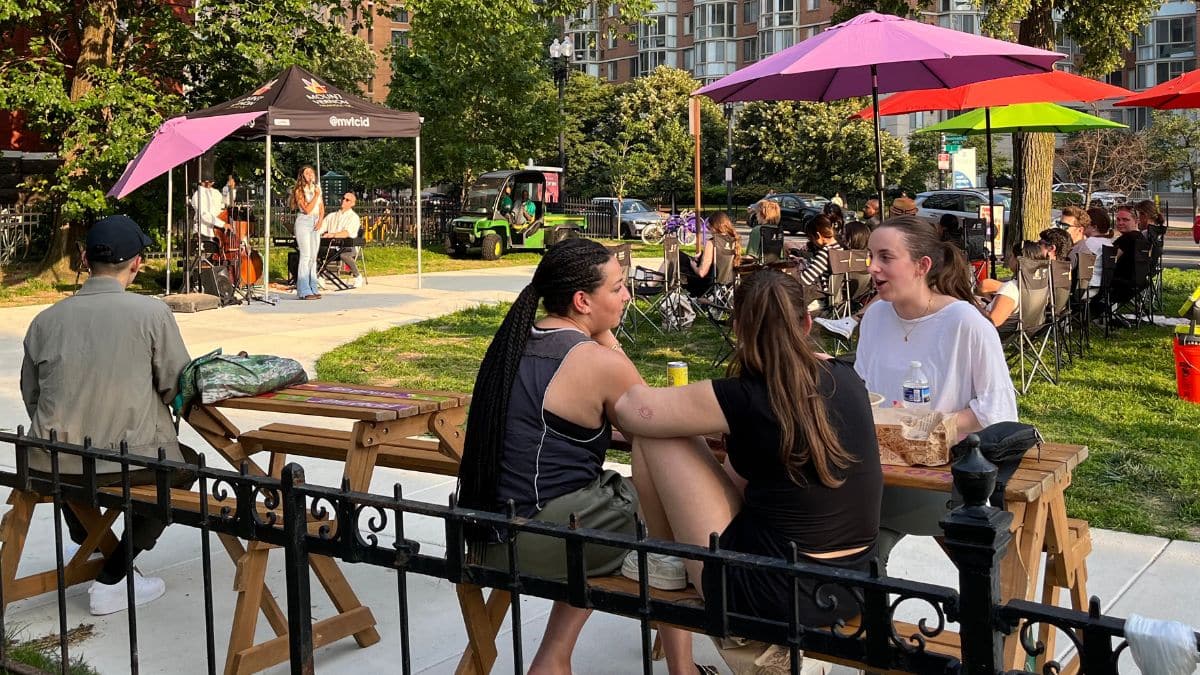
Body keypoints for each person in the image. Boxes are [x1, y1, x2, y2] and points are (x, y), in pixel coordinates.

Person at [613, 270, 882, 673]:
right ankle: (667, 562)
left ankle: (664, 558)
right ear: (807, 323)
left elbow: (631, 411)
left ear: (738, 328)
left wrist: (607, 344)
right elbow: (741, 488)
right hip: (852, 585)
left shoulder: (743, 395)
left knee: (657, 436)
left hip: (777, 592)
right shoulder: (847, 377)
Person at [456, 238, 643, 675]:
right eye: (617, 287)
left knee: (598, 510)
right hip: (533, 540)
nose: (627, 297)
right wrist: (608, 340)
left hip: (487, 533)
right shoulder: (595, 361)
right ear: (582, 301)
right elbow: (647, 421)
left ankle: (553, 659)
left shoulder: (515, 341)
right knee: (668, 502)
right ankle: (682, 664)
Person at [20, 215, 197, 616]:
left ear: (84, 259)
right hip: (127, 461)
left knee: (63, 460)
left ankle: (94, 544)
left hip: (51, 460)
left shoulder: (44, 319)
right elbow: (177, 385)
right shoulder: (151, 313)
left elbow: (32, 396)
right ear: (136, 263)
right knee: (187, 468)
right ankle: (114, 575)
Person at [854, 215, 1017, 569]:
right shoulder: (876, 316)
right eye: (871, 256)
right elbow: (862, 390)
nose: (872, 267)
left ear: (922, 266)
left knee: (984, 574)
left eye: (885, 257)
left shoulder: (966, 322)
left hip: (945, 479)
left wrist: (930, 429)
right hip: (879, 473)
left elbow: (998, 409)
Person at [985, 241, 1049, 330]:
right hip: (1031, 328)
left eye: (1012, 256)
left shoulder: (1011, 288)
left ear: (1018, 261)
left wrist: (975, 306)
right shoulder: (1040, 285)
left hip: (997, 330)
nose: (1010, 259)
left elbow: (994, 320)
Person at [682, 211, 739, 297]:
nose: (709, 230)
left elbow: (702, 273)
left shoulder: (712, 242)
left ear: (715, 226)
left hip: (707, 285)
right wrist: (702, 256)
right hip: (726, 284)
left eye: (710, 227)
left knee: (678, 256)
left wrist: (693, 265)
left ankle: (659, 283)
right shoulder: (734, 241)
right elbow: (721, 259)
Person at [289, 165, 324, 300]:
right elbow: (307, 209)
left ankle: (313, 286)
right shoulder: (300, 190)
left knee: (313, 256)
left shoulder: (317, 188)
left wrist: (320, 220)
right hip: (304, 221)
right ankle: (304, 290)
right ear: (302, 176)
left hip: (315, 221)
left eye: (311, 172)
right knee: (306, 255)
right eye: (307, 173)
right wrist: (316, 195)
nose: (310, 175)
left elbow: (321, 207)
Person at [321, 192, 365, 288]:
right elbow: (321, 228)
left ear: (352, 204)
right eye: (343, 198)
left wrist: (333, 235)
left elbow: (347, 233)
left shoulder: (354, 217)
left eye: (347, 200)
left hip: (348, 246)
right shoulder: (331, 216)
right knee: (314, 251)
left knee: (344, 255)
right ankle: (320, 276)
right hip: (331, 246)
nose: (344, 201)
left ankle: (357, 276)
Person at [799, 214, 843, 306]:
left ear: (818, 235)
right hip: (839, 296)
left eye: (812, 238)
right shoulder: (840, 248)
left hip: (824, 298)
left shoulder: (826, 252)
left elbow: (804, 279)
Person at [189, 175, 225, 241]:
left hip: (217, 233)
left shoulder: (216, 193)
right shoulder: (198, 195)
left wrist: (230, 188)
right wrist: (223, 224)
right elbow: (204, 215)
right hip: (202, 232)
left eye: (210, 181)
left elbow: (224, 206)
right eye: (205, 181)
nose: (207, 183)